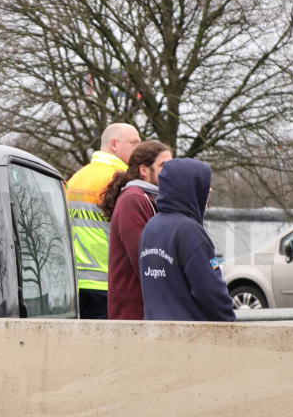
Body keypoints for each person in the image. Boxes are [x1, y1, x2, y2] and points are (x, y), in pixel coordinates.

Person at [138, 158, 235, 321]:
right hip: (188, 332)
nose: (210, 190)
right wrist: (229, 319)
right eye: (203, 184)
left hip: (154, 330)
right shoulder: (190, 231)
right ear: (188, 187)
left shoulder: (150, 226)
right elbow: (210, 289)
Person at [66, 123, 141, 319]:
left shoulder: (76, 178)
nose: (138, 149)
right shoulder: (121, 179)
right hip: (109, 281)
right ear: (114, 144)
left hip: (74, 280)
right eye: (134, 143)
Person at [100, 141, 171, 320]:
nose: (170, 172)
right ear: (144, 170)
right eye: (163, 166)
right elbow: (145, 260)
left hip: (145, 311)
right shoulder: (133, 199)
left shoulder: (150, 198)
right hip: (132, 315)